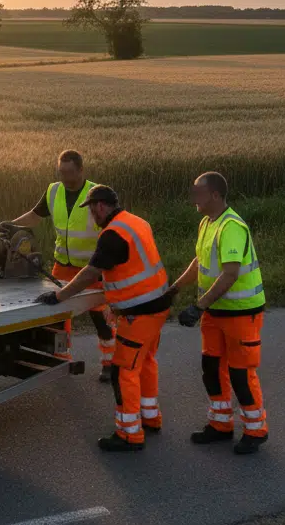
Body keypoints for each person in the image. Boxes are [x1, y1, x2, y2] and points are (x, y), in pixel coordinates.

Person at [38, 185, 172, 452]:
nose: (91, 217)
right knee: (145, 363)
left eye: (91, 210)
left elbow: (91, 273)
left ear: (100, 206)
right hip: (158, 306)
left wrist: (61, 295)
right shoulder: (136, 222)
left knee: (123, 371)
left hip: (139, 312)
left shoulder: (112, 235)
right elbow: (126, 265)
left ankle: (129, 434)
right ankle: (150, 418)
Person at [170, 172, 269, 455]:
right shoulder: (207, 222)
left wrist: (199, 306)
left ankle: (256, 430)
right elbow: (200, 261)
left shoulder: (232, 227)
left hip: (241, 313)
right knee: (211, 368)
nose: (194, 198)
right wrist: (175, 288)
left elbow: (230, 274)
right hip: (215, 311)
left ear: (214, 195)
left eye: (198, 193)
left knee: (240, 374)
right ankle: (220, 425)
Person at [6, 150, 115, 381]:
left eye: (70, 173)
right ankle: (61, 360)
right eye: (62, 172)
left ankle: (109, 362)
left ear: (81, 170)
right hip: (62, 266)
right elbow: (35, 216)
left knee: (99, 317)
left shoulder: (96, 194)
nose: (65, 177)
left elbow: (112, 230)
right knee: (58, 317)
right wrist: (12, 226)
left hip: (91, 268)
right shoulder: (54, 190)